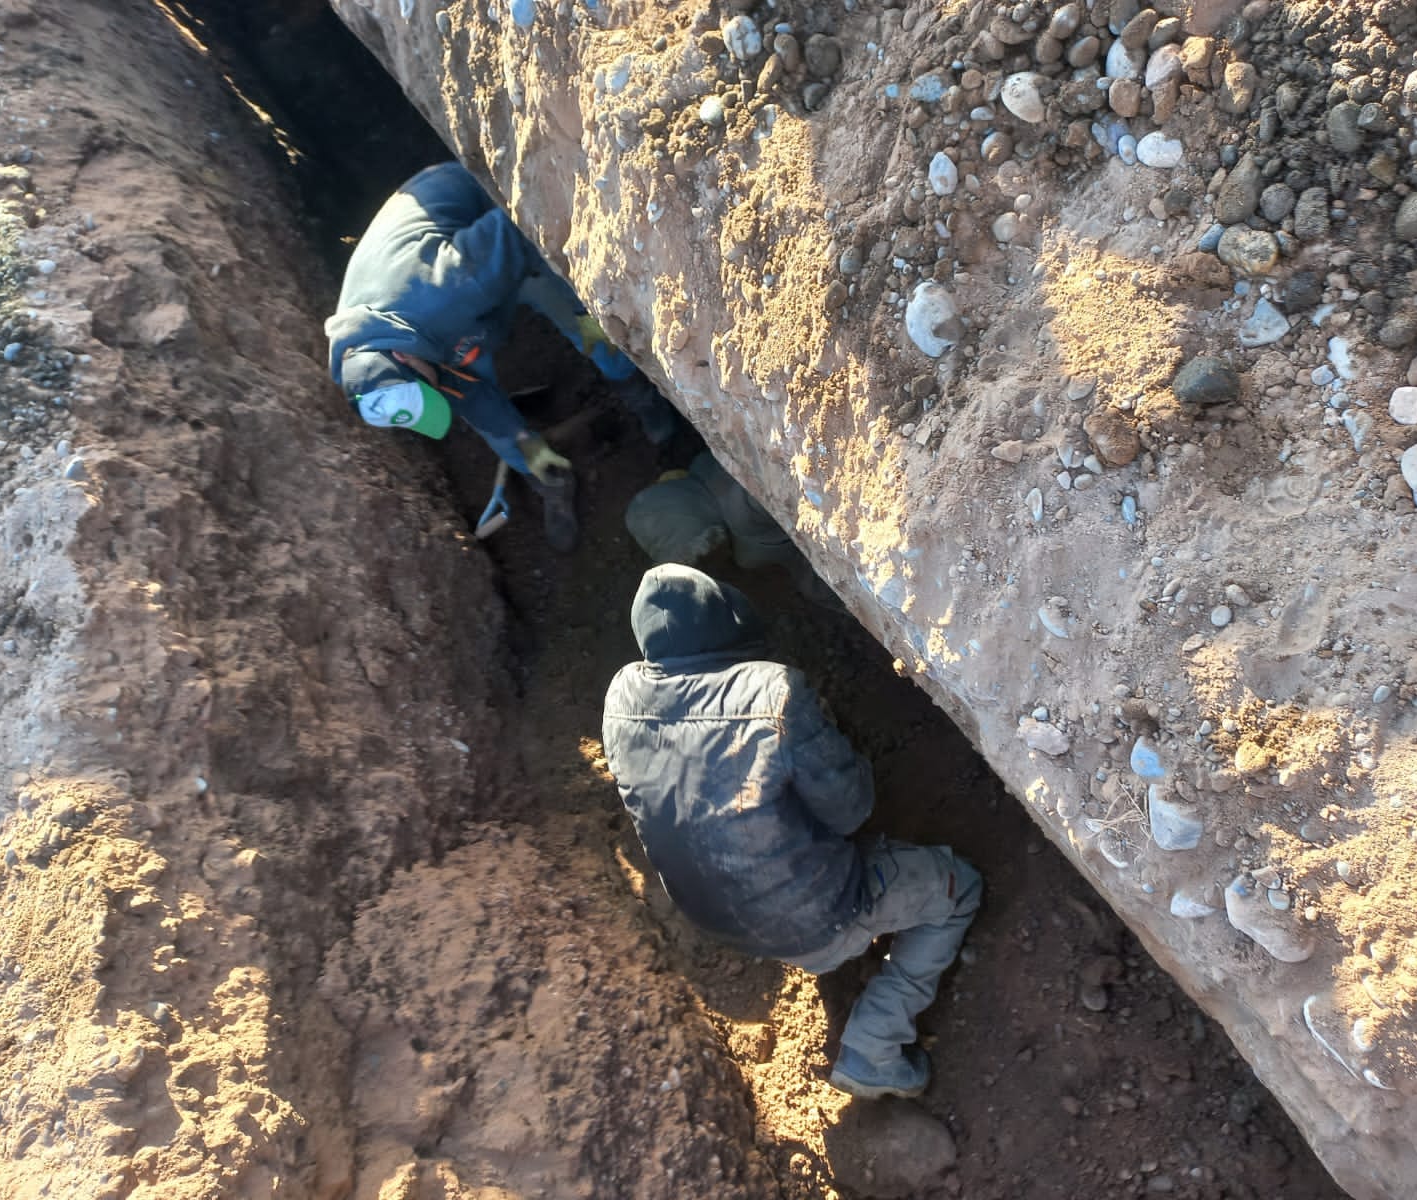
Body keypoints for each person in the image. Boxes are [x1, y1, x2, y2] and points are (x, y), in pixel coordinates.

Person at [601, 564, 982, 1099]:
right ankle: (874, 1046)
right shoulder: (775, 693)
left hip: (718, 921)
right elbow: (852, 810)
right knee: (958, 888)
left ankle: (828, 949)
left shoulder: (621, 701)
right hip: (815, 916)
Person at [325, 162, 673, 549]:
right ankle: (549, 480)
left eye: (427, 390)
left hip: (486, 207)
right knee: (471, 373)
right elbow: (468, 395)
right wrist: (527, 446)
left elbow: (528, 229)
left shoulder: (447, 289)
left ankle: (641, 396)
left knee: (590, 334)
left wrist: (584, 311)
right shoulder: (373, 366)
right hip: (451, 302)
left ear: (404, 358)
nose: (435, 396)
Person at [623, 451, 842, 608]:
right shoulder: (704, 466)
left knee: (817, 589)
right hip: (799, 546)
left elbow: (800, 489)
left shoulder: (742, 507)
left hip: (829, 540)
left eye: (697, 557)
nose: (702, 562)